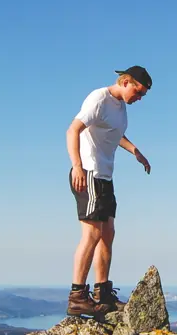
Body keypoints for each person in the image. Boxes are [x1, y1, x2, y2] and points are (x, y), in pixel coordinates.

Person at [65, 65, 153, 317]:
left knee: (108, 234)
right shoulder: (99, 99)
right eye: (138, 91)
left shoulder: (120, 106)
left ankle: (102, 292)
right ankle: (77, 296)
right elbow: (73, 129)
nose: (139, 98)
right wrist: (77, 167)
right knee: (92, 234)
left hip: (104, 176)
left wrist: (135, 151)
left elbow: (115, 134)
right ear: (126, 82)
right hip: (89, 173)